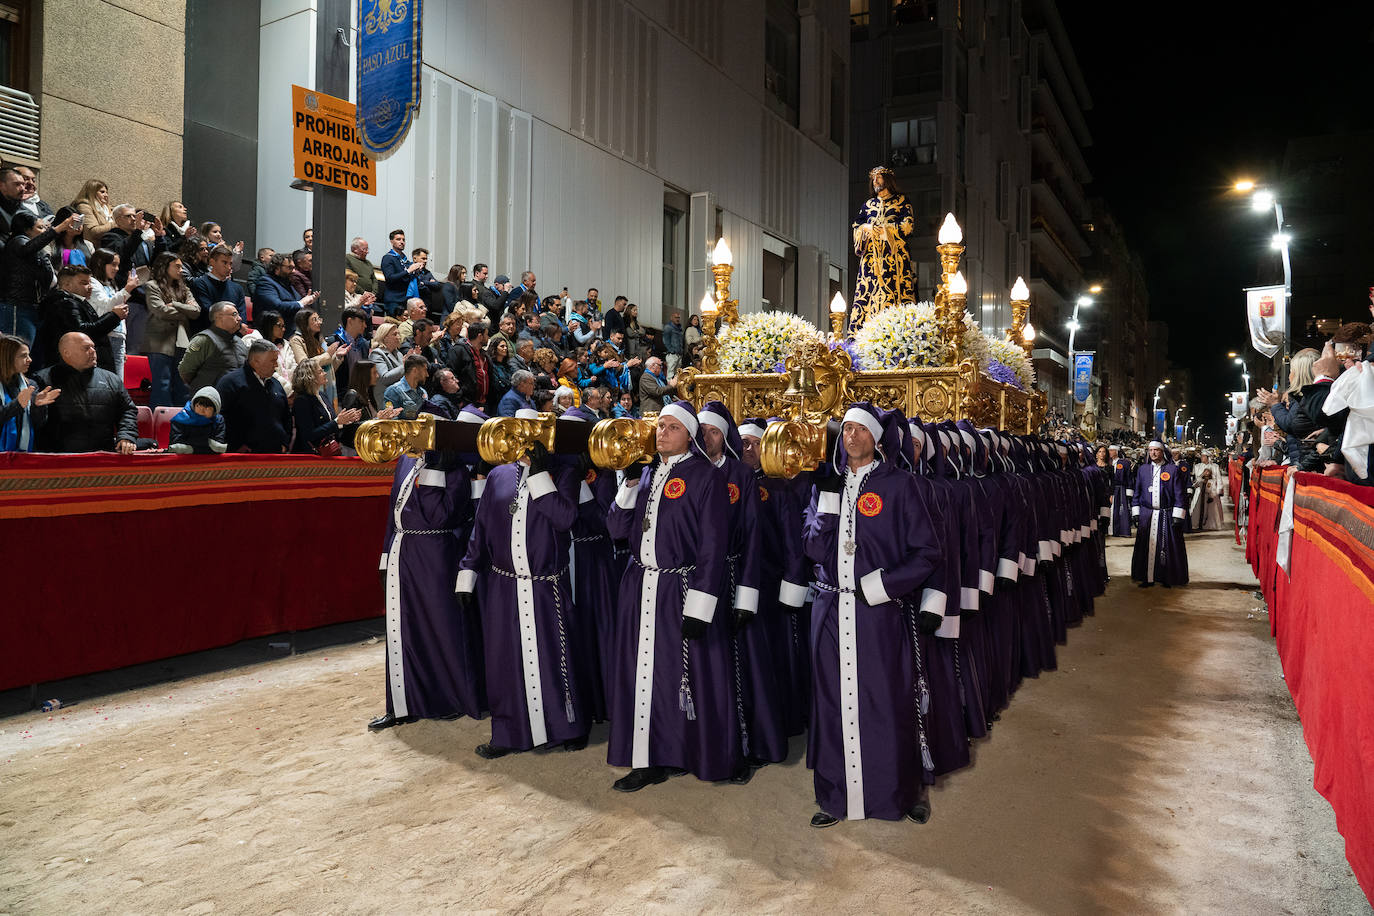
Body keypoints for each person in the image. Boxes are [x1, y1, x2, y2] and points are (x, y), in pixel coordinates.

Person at [604, 400, 740, 791]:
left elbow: (713, 546)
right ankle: (646, 757)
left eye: (671, 427)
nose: (661, 432)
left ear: (689, 435)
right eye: (659, 426)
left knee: (679, 674)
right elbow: (615, 528)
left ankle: (683, 752)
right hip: (641, 586)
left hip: (679, 589)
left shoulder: (704, 477)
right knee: (643, 673)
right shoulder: (646, 474)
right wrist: (629, 484)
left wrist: (700, 606)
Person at [457, 431, 591, 756]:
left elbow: (565, 518)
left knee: (556, 656)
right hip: (504, 585)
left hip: (547, 584)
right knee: (504, 660)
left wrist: (541, 476)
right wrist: (468, 571)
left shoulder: (564, 473)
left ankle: (568, 725)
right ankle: (508, 733)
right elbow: (482, 526)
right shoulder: (498, 474)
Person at [370, 439, 488, 730]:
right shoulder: (405, 460)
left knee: (440, 627)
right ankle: (402, 703)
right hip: (403, 551)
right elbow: (393, 513)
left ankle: (446, 698)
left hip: (436, 555)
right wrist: (385, 557)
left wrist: (436, 472)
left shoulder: (454, 469)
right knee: (401, 630)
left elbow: (441, 516)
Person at [34, 332, 137, 453]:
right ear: (66, 353)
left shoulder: (112, 379)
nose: (93, 351)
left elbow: (127, 410)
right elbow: (34, 422)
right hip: (57, 459)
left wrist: (126, 436)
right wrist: (36, 408)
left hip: (102, 457)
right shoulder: (42, 380)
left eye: (93, 347)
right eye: (86, 348)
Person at [849, 167, 916, 329]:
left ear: (887, 180)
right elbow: (857, 226)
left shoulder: (901, 201)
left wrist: (887, 230)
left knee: (895, 293)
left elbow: (908, 225)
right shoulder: (867, 205)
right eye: (873, 179)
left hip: (894, 258)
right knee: (868, 293)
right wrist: (867, 228)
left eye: (879, 178)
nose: (876, 181)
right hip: (871, 260)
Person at [141, 252, 199, 408]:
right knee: (162, 386)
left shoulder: (184, 288)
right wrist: (184, 312)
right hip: (160, 343)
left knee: (182, 387)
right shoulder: (152, 285)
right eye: (177, 266)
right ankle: (161, 427)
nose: (181, 270)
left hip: (181, 342)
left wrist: (175, 305)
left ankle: (180, 423)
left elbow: (196, 311)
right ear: (165, 266)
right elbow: (160, 310)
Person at [0, 210, 66, 343]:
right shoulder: (18, 241)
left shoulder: (37, 249)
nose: (43, 232)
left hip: (30, 306)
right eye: (40, 228)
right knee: (15, 350)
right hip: (16, 306)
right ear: (26, 230)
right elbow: (27, 248)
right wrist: (58, 229)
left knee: (26, 352)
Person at [1131, 441, 1189, 588]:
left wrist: (1178, 514)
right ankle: (1146, 577)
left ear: (1162, 452)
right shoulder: (1142, 469)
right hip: (1147, 514)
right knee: (1146, 547)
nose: (1153, 453)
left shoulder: (1172, 470)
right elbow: (1137, 491)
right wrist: (1136, 511)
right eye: (1150, 450)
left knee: (1168, 547)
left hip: (1166, 514)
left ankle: (1167, 577)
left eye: (1156, 450)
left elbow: (1179, 494)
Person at [217, 339, 292, 453]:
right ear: (256, 361)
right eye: (273, 361)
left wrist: (285, 443)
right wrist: (235, 446)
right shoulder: (230, 383)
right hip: (244, 457)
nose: (276, 365)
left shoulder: (276, 384)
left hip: (277, 454)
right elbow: (220, 419)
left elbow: (287, 418)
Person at [0, 334, 59, 452]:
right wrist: (17, 404)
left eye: (29, 355)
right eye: (23, 356)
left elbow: (38, 424)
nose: (30, 360)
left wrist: (38, 406)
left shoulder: (30, 384)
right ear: (7, 358)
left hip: (24, 454)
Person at [292, 357, 362, 453]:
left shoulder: (322, 395)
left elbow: (330, 425)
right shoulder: (302, 401)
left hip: (329, 451)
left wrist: (346, 420)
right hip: (310, 456)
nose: (325, 373)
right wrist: (337, 422)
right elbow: (309, 435)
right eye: (320, 372)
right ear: (310, 377)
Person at [179, 302, 248, 393]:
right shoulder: (204, 340)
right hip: (209, 399)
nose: (240, 318)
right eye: (234, 314)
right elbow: (185, 372)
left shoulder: (240, 342)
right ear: (218, 317)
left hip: (236, 397)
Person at [250, 252, 316, 329]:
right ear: (277, 268)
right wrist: (301, 303)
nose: (294, 271)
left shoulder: (288, 283)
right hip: (271, 332)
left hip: (290, 330)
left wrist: (307, 302)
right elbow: (277, 306)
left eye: (294, 268)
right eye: (290, 267)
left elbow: (295, 304)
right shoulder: (265, 283)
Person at [168, 387, 228, 454]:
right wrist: (208, 443)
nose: (202, 410)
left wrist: (191, 448)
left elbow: (218, 445)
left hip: (209, 459)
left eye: (207, 407)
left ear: (215, 409)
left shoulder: (218, 421)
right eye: (198, 405)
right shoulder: (180, 419)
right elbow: (177, 444)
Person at [447, 319, 490, 408]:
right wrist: (460, 399)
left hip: (484, 404)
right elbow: (452, 374)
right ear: (480, 336)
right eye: (486, 334)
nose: (488, 337)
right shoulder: (458, 350)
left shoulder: (484, 355)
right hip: (466, 403)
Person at [379, 229, 422, 315]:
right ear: (391, 241)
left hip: (406, 299)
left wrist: (416, 271)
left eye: (403, 240)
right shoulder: (388, 258)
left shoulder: (406, 261)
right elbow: (390, 278)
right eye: (398, 239)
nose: (402, 242)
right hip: (394, 300)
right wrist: (409, 270)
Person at [382, 353, 429, 419]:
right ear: (415, 370)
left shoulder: (423, 392)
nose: (427, 375)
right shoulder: (393, 391)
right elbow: (390, 420)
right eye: (425, 370)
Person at [71, 179, 116, 245]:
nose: (106, 195)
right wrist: (116, 224)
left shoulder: (108, 208)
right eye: (102, 192)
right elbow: (93, 232)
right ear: (92, 193)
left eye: (107, 192)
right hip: (95, 249)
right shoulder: (84, 207)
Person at [486, 336, 516, 413]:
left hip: (509, 400)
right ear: (495, 348)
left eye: (506, 346)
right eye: (502, 346)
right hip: (495, 401)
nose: (505, 348)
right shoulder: (490, 365)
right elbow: (497, 385)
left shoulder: (508, 366)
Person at [663, 311, 684, 376]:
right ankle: (670, 386)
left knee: (677, 373)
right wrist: (672, 350)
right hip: (672, 354)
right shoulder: (668, 327)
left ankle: (676, 386)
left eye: (678, 318)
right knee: (670, 373)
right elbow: (665, 340)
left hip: (679, 354)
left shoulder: (680, 328)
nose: (677, 319)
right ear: (671, 318)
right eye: (675, 317)